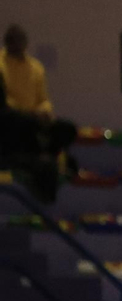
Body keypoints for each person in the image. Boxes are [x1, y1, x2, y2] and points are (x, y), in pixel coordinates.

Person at [0, 24, 76, 200]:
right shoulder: (1, 65)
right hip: (11, 121)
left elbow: (44, 99)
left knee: (67, 129)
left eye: (20, 41)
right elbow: (3, 103)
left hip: (35, 120)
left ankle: (48, 155)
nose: (17, 44)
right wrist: (28, 114)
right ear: (7, 42)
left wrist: (44, 111)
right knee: (14, 120)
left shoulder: (36, 67)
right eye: (13, 41)